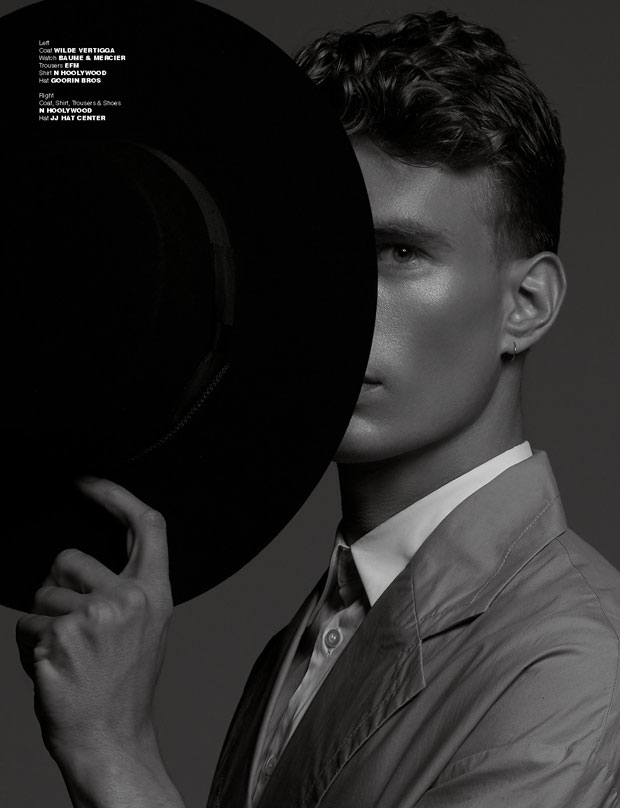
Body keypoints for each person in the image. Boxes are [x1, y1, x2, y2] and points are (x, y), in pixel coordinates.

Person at [15, 10, 620, 808]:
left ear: (527, 305)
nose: (341, 305)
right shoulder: (312, 637)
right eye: (329, 254)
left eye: (401, 253)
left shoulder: (575, 660)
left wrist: (114, 752)